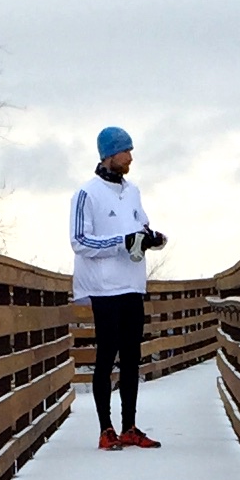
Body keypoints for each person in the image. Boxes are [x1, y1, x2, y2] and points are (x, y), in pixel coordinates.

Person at [70, 126, 168, 449]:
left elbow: (141, 225)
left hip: (132, 285)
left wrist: (152, 238)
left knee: (131, 356)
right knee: (106, 354)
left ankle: (129, 426)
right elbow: (79, 241)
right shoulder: (87, 194)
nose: (130, 157)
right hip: (104, 288)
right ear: (110, 155)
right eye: (125, 151)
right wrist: (120, 242)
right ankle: (105, 429)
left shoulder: (133, 192)